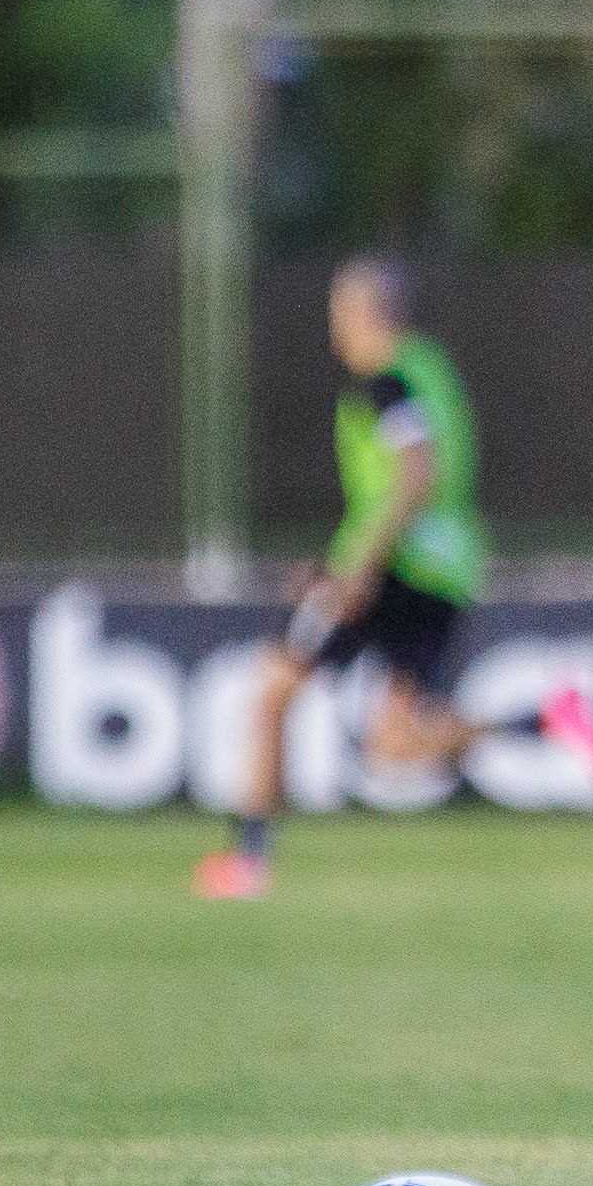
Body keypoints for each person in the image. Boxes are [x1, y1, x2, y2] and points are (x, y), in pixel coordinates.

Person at [193, 259, 492, 900]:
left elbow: (416, 474)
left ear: (361, 314)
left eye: (338, 313)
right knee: (394, 744)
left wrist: (354, 569)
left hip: (393, 568)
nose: (334, 329)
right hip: (447, 567)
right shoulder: (430, 368)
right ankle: (545, 722)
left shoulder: (381, 381)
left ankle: (248, 861)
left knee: (273, 690)